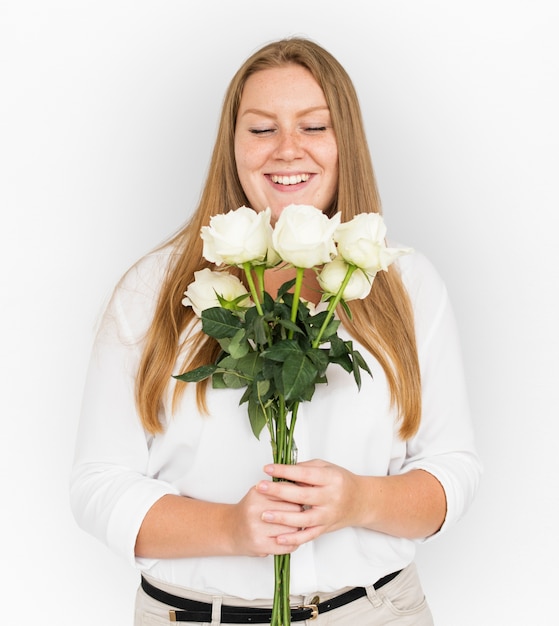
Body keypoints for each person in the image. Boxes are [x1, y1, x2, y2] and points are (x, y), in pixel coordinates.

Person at [70, 37, 481, 625]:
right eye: (262, 130)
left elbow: (453, 468)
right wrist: (232, 529)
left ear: (347, 145)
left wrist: (361, 499)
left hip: (374, 612)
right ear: (232, 147)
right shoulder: (152, 290)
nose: (288, 150)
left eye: (314, 127)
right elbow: (97, 485)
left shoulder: (407, 284)